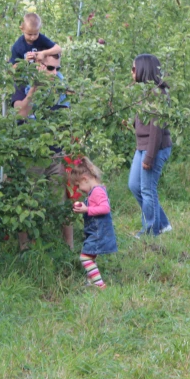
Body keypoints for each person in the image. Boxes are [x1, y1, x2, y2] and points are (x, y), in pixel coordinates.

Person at [11, 53, 72, 251]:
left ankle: (68, 249)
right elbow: (20, 113)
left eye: (57, 69)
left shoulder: (59, 88)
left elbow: (65, 120)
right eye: (50, 68)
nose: (54, 73)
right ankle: (24, 248)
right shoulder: (22, 83)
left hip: (55, 154)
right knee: (27, 199)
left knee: (61, 202)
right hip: (31, 155)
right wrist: (35, 88)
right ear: (37, 65)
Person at [128, 54, 173, 237]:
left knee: (147, 189)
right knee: (134, 185)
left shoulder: (157, 94)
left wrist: (150, 156)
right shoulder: (143, 92)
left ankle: (151, 231)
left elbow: (156, 129)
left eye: (133, 68)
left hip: (154, 148)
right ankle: (162, 223)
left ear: (143, 70)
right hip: (143, 146)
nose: (131, 72)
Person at [69, 157, 117, 289]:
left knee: (85, 258)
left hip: (99, 233)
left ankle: (99, 284)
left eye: (78, 185)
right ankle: (91, 282)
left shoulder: (97, 191)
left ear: (85, 179)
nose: (79, 189)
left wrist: (87, 209)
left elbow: (105, 208)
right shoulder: (94, 191)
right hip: (95, 232)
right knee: (90, 256)